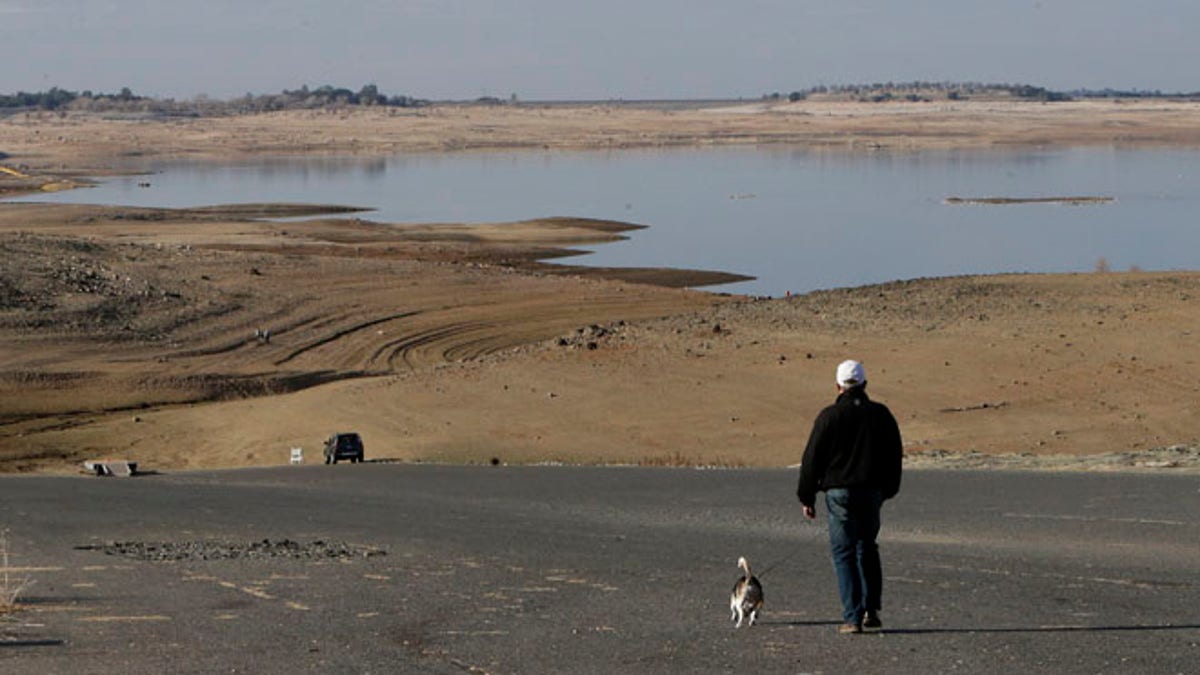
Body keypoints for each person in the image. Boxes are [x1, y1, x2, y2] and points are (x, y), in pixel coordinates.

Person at [797, 359, 902, 634]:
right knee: (866, 547)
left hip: (839, 492)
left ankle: (852, 618)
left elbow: (811, 460)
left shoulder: (829, 416)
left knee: (844, 552)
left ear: (838, 386)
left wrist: (807, 496)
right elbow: (894, 455)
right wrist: (888, 490)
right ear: (865, 384)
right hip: (871, 492)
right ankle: (871, 610)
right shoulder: (881, 414)